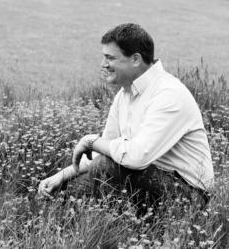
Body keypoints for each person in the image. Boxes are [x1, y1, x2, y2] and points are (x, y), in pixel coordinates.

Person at [38, 23, 214, 216]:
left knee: (103, 169)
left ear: (136, 59)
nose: (103, 64)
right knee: (67, 192)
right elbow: (104, 152)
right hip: (146, 178)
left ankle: (129, 231)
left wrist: (91, 141)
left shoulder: (168, 94)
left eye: (110, 58)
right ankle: (110, 229)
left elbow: (135, 157)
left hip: (187, 195)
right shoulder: (125, 94)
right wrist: (61, 176)